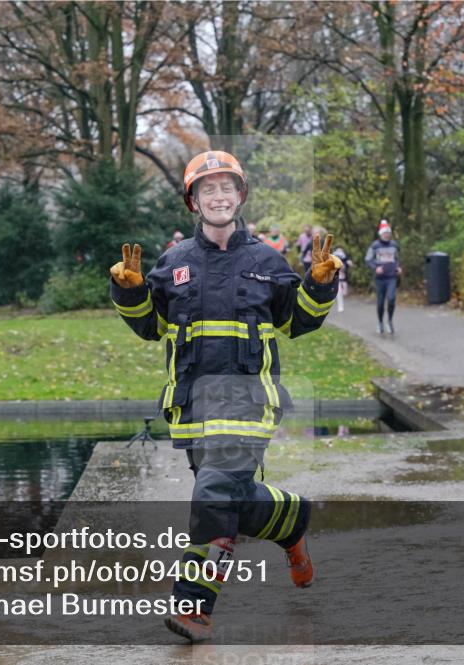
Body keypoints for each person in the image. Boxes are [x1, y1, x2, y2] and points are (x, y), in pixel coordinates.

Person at [109, 150, 341, 643]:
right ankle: (291, 520)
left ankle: (194, 608)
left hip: (247, 398)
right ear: (193, 201)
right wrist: (129, 293)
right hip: (192, 404)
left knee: (213, 495)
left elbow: (297, 320)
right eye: (207, 189)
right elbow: (151, 327)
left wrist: (319, 286)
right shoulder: (173, 264)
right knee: (225, 502)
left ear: (240, 196)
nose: (218, 196)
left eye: (226, 187)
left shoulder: (266, 261)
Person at [364, 219, 402, 334]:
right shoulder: (375, 246)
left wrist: (398, 267)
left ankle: (389, 321)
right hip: (380, 278)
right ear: (381, 234)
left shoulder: (394, 245)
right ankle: (380, 322)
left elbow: (397, 258)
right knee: (380, 302)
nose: (387, 235)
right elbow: (368, 259)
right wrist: (376, 268)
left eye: (388, 233)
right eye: (385, 233)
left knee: (391, 299)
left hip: (391, 277)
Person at [332, 245, 354, 313]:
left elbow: (349, 264)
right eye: (338, 250)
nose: (339, 252)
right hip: (336, 279)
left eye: (341, 250)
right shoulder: (333, 259)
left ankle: (339, 299)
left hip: (344, 279)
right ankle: (340, 306)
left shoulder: (345, 259)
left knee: (345, 293)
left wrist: (349, 264)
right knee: (339, 293)